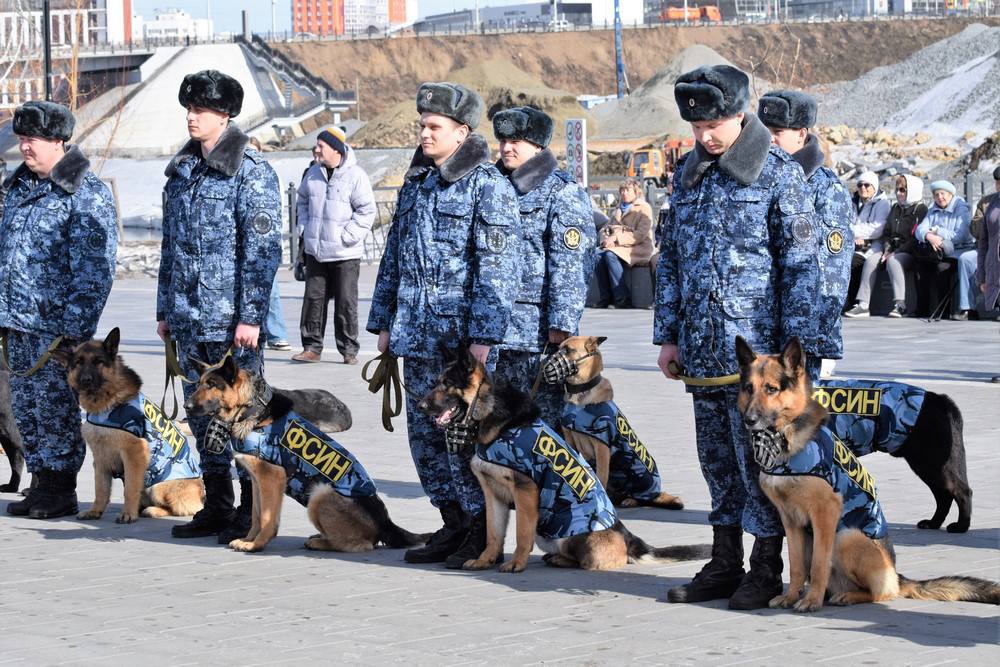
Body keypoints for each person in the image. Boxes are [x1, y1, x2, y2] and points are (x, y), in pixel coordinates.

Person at [655, 66, 820, 609]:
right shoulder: (689, 173)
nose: (705, 135)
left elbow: (802, 268)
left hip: (760, 366)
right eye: (697, 125)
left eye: (715, 123)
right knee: (717, 461)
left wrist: (800, 356)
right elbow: (673, 260)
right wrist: (669, 336)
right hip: (704, 354)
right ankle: (724, 560)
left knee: (762, 467)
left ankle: (766, 567)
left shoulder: (778, 174)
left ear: (741, 113)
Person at [367, 82, 520, 566]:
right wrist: (384, 320)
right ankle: (452, 522)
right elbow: (393, 256)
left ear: (462, 132)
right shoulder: (418, 183)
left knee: (462, 440)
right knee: (425, 437)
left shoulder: (487, 186)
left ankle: (479, 529)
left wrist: (483, 337)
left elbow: (499, 267)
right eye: (422, 125)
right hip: (415, 335)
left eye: (434, 126)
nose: (424, 133)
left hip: (457, 347)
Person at [158, 70, 282, 540]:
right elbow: (171, 247)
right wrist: (165, 309)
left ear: (226, 115)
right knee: (200, 413)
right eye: (189, 109)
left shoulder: (251, 172)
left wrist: (251, 315)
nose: (192, 117)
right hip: (189, 318)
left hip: (232, 324)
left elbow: (263, 250)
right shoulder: (183, 172)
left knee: (243, 416)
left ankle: (251, 509)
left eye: (202, 110)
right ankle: (216, 503)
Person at [1, 101, 118, 519]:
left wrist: (73, 332)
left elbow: (95, 269)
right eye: (21, 139)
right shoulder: (17, 190)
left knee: (54, 410)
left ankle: (62, 488)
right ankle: (41, 482)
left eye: (31, 140)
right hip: (17, 324)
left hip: (57, 331)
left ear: (57, 141)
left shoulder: (85, 192)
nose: (24, 147)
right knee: (27, 409)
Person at [490, 106, 595, 427]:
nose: (507, 147)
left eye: (517, 140)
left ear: (538, 146)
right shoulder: (492, 188)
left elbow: (572, 263)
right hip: (494, 331)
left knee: (541, 427)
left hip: (537, 335)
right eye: (503, 140)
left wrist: (561, 324)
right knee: (500, 426)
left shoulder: (562, 191)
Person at [758, 90, 854, 380]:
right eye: (765, 132)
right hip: (760, 327)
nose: (769, 139)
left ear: (801, 135)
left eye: (777, 132)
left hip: (799, 337)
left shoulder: (825, 189)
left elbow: (832, 273)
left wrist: (810, 338)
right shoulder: (758, 180)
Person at [292, 126, 375, 365]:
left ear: (336, 150)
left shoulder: (356, 175)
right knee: (313, 301)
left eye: (321, 146)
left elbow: (367, 211)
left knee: (346, 302)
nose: (316, 150)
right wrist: (305, 229)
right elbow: (303, 202)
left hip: (345, 252)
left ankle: (349, 350)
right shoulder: (313, 173)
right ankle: (311, 347)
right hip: (316, 251)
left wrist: (347, 236)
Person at [845, 174, 926, 318]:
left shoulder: (920, 209)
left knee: (894, 261)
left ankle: (900, 305)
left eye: (903, 190)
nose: (899, 193)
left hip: (909, 251)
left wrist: (896, 251)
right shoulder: (896, 208)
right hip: (890, 248)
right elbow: (887, 231)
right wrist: (888, 248)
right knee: (870, 261)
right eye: (897, 190)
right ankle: (863, 305)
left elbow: (915, 237)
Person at [247, 137, 291, 352]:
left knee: (270, 291)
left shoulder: (267, 175)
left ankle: (277, 333)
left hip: (264, 247)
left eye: (254, 151)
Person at [914, 180, 976, 320]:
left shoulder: (961, 208)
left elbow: (961, 235)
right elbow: (920, 230)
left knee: (942, 268)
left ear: (950, 194)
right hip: (938, 250)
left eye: (943, 194)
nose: (940, 197)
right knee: (920, 267)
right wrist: (929, 236)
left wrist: (937, 231)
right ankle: (922, 308)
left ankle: (944, 310)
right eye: (936, 195)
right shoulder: (933, 208)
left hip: (959, 250)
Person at [593, 179, 653, 308]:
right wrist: (605, 240)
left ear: (636, 192)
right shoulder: (618, 208)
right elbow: (606, 228)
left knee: (610, 255)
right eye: (622, 190)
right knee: (597, 254)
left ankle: (622, 297)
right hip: (618, 246)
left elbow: (641, 234)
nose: (624, 193)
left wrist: (616, 240)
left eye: (628, 190)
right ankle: (606, 297)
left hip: (638, 247)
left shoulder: (643, 208)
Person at [847, 170, 891, 308]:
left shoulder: (882, 203)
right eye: (860, 185)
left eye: (867, 185)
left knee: (854, 262)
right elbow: (844, 222)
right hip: (853, 243)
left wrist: (854, 232)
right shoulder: (853, 202)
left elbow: (877, 228)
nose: (863, 188)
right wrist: (854, 237)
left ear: (874, 187)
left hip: (872, 246)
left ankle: (855, 302)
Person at [973, 166, 1000, 318]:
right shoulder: (991, 205)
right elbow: (983, 243)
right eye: (998, 182)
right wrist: (982, 278)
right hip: (994, 267)